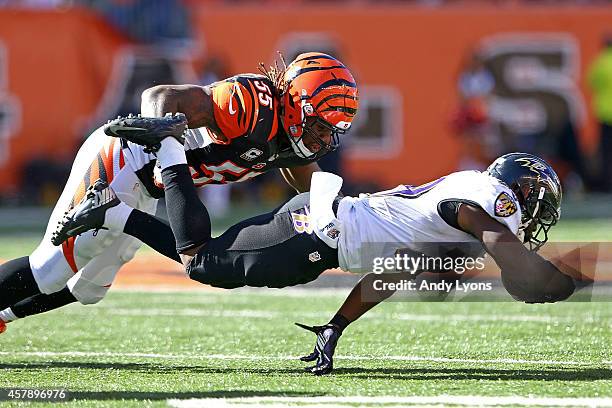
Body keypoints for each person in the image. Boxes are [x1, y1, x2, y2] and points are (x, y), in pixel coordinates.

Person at [30, 117, 575, 374]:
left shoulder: (470, 230)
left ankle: (121, 208)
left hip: (324, 237)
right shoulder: (487, 199)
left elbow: (391, 274)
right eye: (539, 200)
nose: (539, 213)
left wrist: (336, 327)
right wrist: (551, 273)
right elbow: (489, 237)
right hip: (320, 229)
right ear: (520, 188)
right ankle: (150, 175)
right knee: (205, 264)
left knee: (210, 257)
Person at [0, 52, 359, 333]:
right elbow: (159, 95)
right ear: (296, 104)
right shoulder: (250, 104)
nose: (324, 139)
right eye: (319, 126)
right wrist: (166, 139)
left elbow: (311, 185)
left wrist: (353, 216)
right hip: (121, 159)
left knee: (87, 289)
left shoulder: (290, 142)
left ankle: (3, 317)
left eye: (330, 132)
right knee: (50, 268)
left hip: (147, 188)